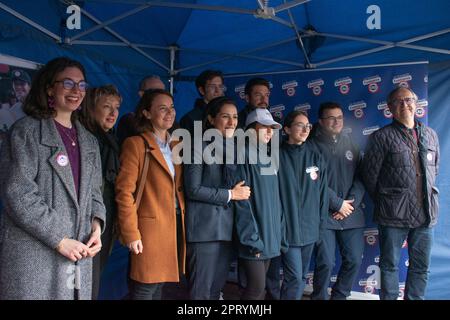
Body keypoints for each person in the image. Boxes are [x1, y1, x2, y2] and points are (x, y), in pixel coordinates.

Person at [0, 57, 106, 300]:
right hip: (35, 253)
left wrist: (97, 228)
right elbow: (18, 194)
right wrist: (60, 239)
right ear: (49, 87)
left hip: (79, 251)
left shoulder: (89, 141)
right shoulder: (26, 131)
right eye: (67, 83)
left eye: (81, 85)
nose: (76, 91)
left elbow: (95, 194)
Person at [362, 87, 440, 300]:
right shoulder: (381, 137)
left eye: (408, 100)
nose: (405, 104)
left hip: (425, 213)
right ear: (390, 109)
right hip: (392, 215)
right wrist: (390, 201)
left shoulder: (431, 135)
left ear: (416, 104)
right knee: (389, 265)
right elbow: (370, 176)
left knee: (421, 266)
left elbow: (434, 170)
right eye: (398, 101)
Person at [115, 89, 186, 300]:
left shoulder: (176, 145)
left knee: (159, 287)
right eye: (162, 108)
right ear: (146, 113)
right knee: (146, 288)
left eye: (172, 107)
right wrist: (131, 232)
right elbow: (124, 192)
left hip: (174, 226)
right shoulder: (135, 144)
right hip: (148, 230)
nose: (169, 112)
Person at [184, 96, 251, 300]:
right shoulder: (196, 145)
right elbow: (193, 189)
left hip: (227, 229)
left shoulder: (234, 149)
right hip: (204, 230)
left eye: (235, 117)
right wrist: (231, 194)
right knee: (200, 292)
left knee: (215, 290)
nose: (232, 122)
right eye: (225, 117)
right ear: (211, 119)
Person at [310, 102, 366, 300]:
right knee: (325, 262)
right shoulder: (310, 145)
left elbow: (362, 177)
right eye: (331, 118)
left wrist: (349, 203)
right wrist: (337, 203)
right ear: (321, 121)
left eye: (339, 117)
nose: (336, 122)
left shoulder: (351, 144)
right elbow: (313, 181)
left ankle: (340, 296)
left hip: (351, 213)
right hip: (324, 214)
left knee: (353, 259)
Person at [233, 108, 287, 300]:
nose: (269, 131)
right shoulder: (242, 154)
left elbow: (275, 200)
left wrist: (279, 234)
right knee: (255, 289)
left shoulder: (268, 156)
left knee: (260, 289)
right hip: (254, 240)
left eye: (272, 127)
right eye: (264, 127)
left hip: (269, 238)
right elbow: (241, 202)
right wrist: (251, 239)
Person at [278, 110, 328, 300]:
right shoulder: (276, 156)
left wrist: (320, 225)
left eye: (308, 126)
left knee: (300, 277)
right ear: (287, 129)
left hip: (310, 230)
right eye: (300, 125)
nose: (305, 129)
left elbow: (323, 193)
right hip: (287, 230)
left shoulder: (315, 155)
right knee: (293, 277)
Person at [79, 84, 122, 299]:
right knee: (82, 279)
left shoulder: (112, 140)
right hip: (85, 222)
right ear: (90, 107)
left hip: (106, 217)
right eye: (107, 106)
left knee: (95, 276)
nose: (113, 113)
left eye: (116, 107)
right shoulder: (83, 137)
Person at [116, 75, 165, 145]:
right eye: (155, 92)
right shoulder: (129, 121)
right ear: (142, 94)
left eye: (163, 92)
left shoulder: (170, 121)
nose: (161, 96)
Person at [179, 70, 225, 135]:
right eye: (212, 86)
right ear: (201, 90)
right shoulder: (190, 119)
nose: (217, 91)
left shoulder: (227, 114)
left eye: (220, 86)